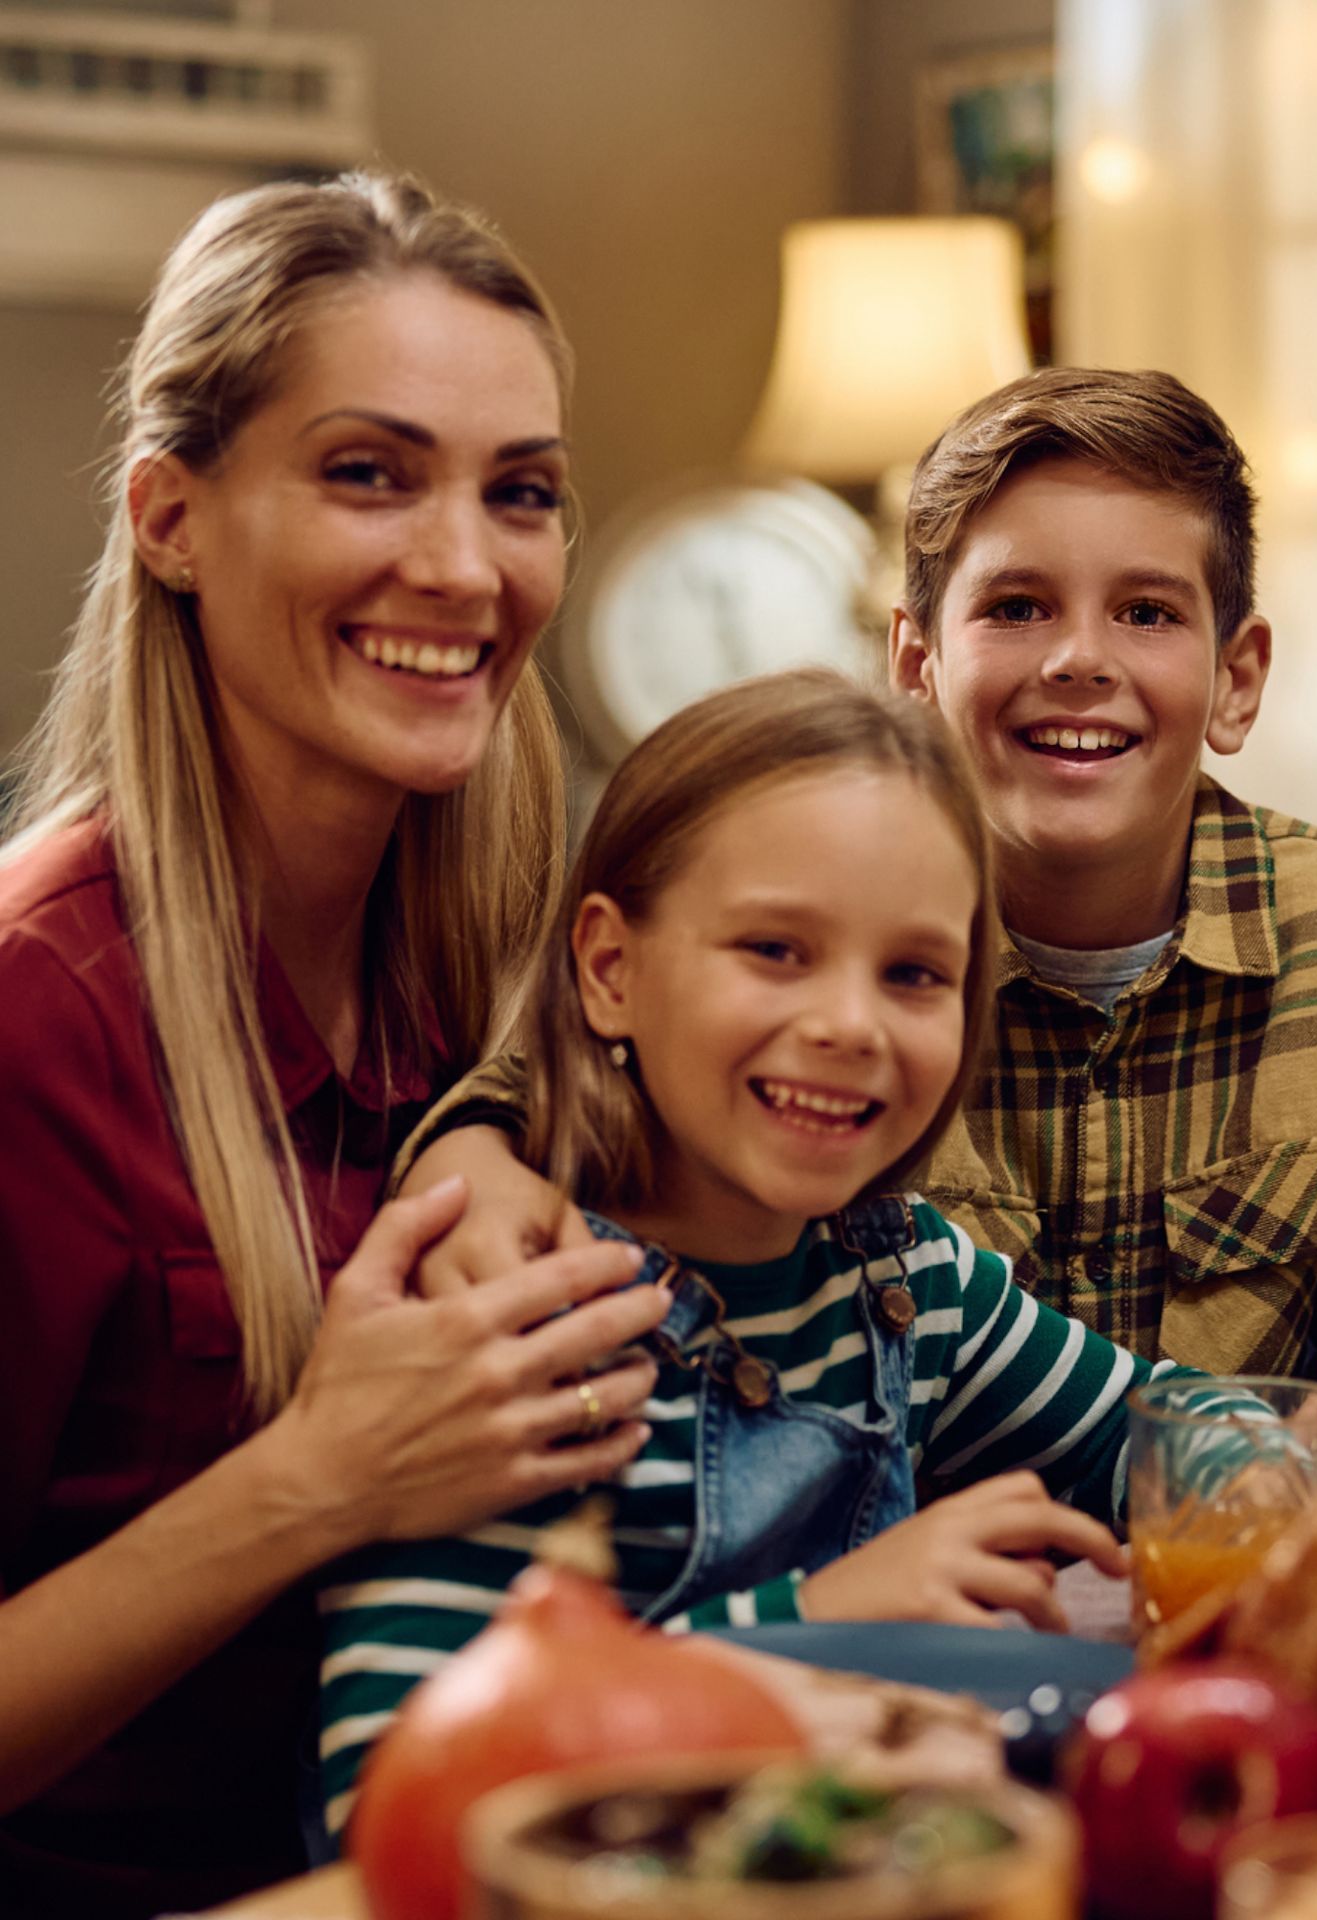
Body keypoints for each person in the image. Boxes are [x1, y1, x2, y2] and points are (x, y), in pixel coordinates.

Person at [396, 371, 1317, 1450]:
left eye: (1146, 612)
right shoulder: (824, 962)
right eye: (1018, 606)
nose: (1081, 659)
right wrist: (472, 1151)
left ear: (1237, 679)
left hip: (1219, 1569)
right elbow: (550, 1083)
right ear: (915, 665)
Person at [0, 173, 673, 1917]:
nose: (461, 567)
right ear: (171, 519)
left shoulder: (516, 973)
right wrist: (320, 1479)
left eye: (517, 492)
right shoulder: (34, 1014)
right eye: (368, 473)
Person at [317, 671, 1187, 1832]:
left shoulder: (909, 1281)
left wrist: (1286, 1467)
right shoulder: (525, 1324)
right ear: (611, 972)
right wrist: (818, 1618)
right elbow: (396, 1794)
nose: (850, 1025)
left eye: (916, 974)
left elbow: (1180, 1441)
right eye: (777, 949)